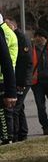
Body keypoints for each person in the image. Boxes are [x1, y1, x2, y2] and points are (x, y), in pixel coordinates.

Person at [4, 18, 32, 142]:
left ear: (12, 25)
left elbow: (26, 62)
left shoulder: (21, 38)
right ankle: (23, 133)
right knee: (19, 108)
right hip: (17, 80)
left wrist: (20, 82)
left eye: (6, 25)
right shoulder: (13, 36)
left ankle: (15, 136)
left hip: (22, 81)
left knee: (14, 109)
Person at [0, 14, 17, 145]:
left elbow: (7, 60)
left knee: (5, 112)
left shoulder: (6, 33)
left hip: (2, 77)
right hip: (5, 76)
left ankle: (7, 138)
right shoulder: (7, 32)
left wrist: (11, 90)